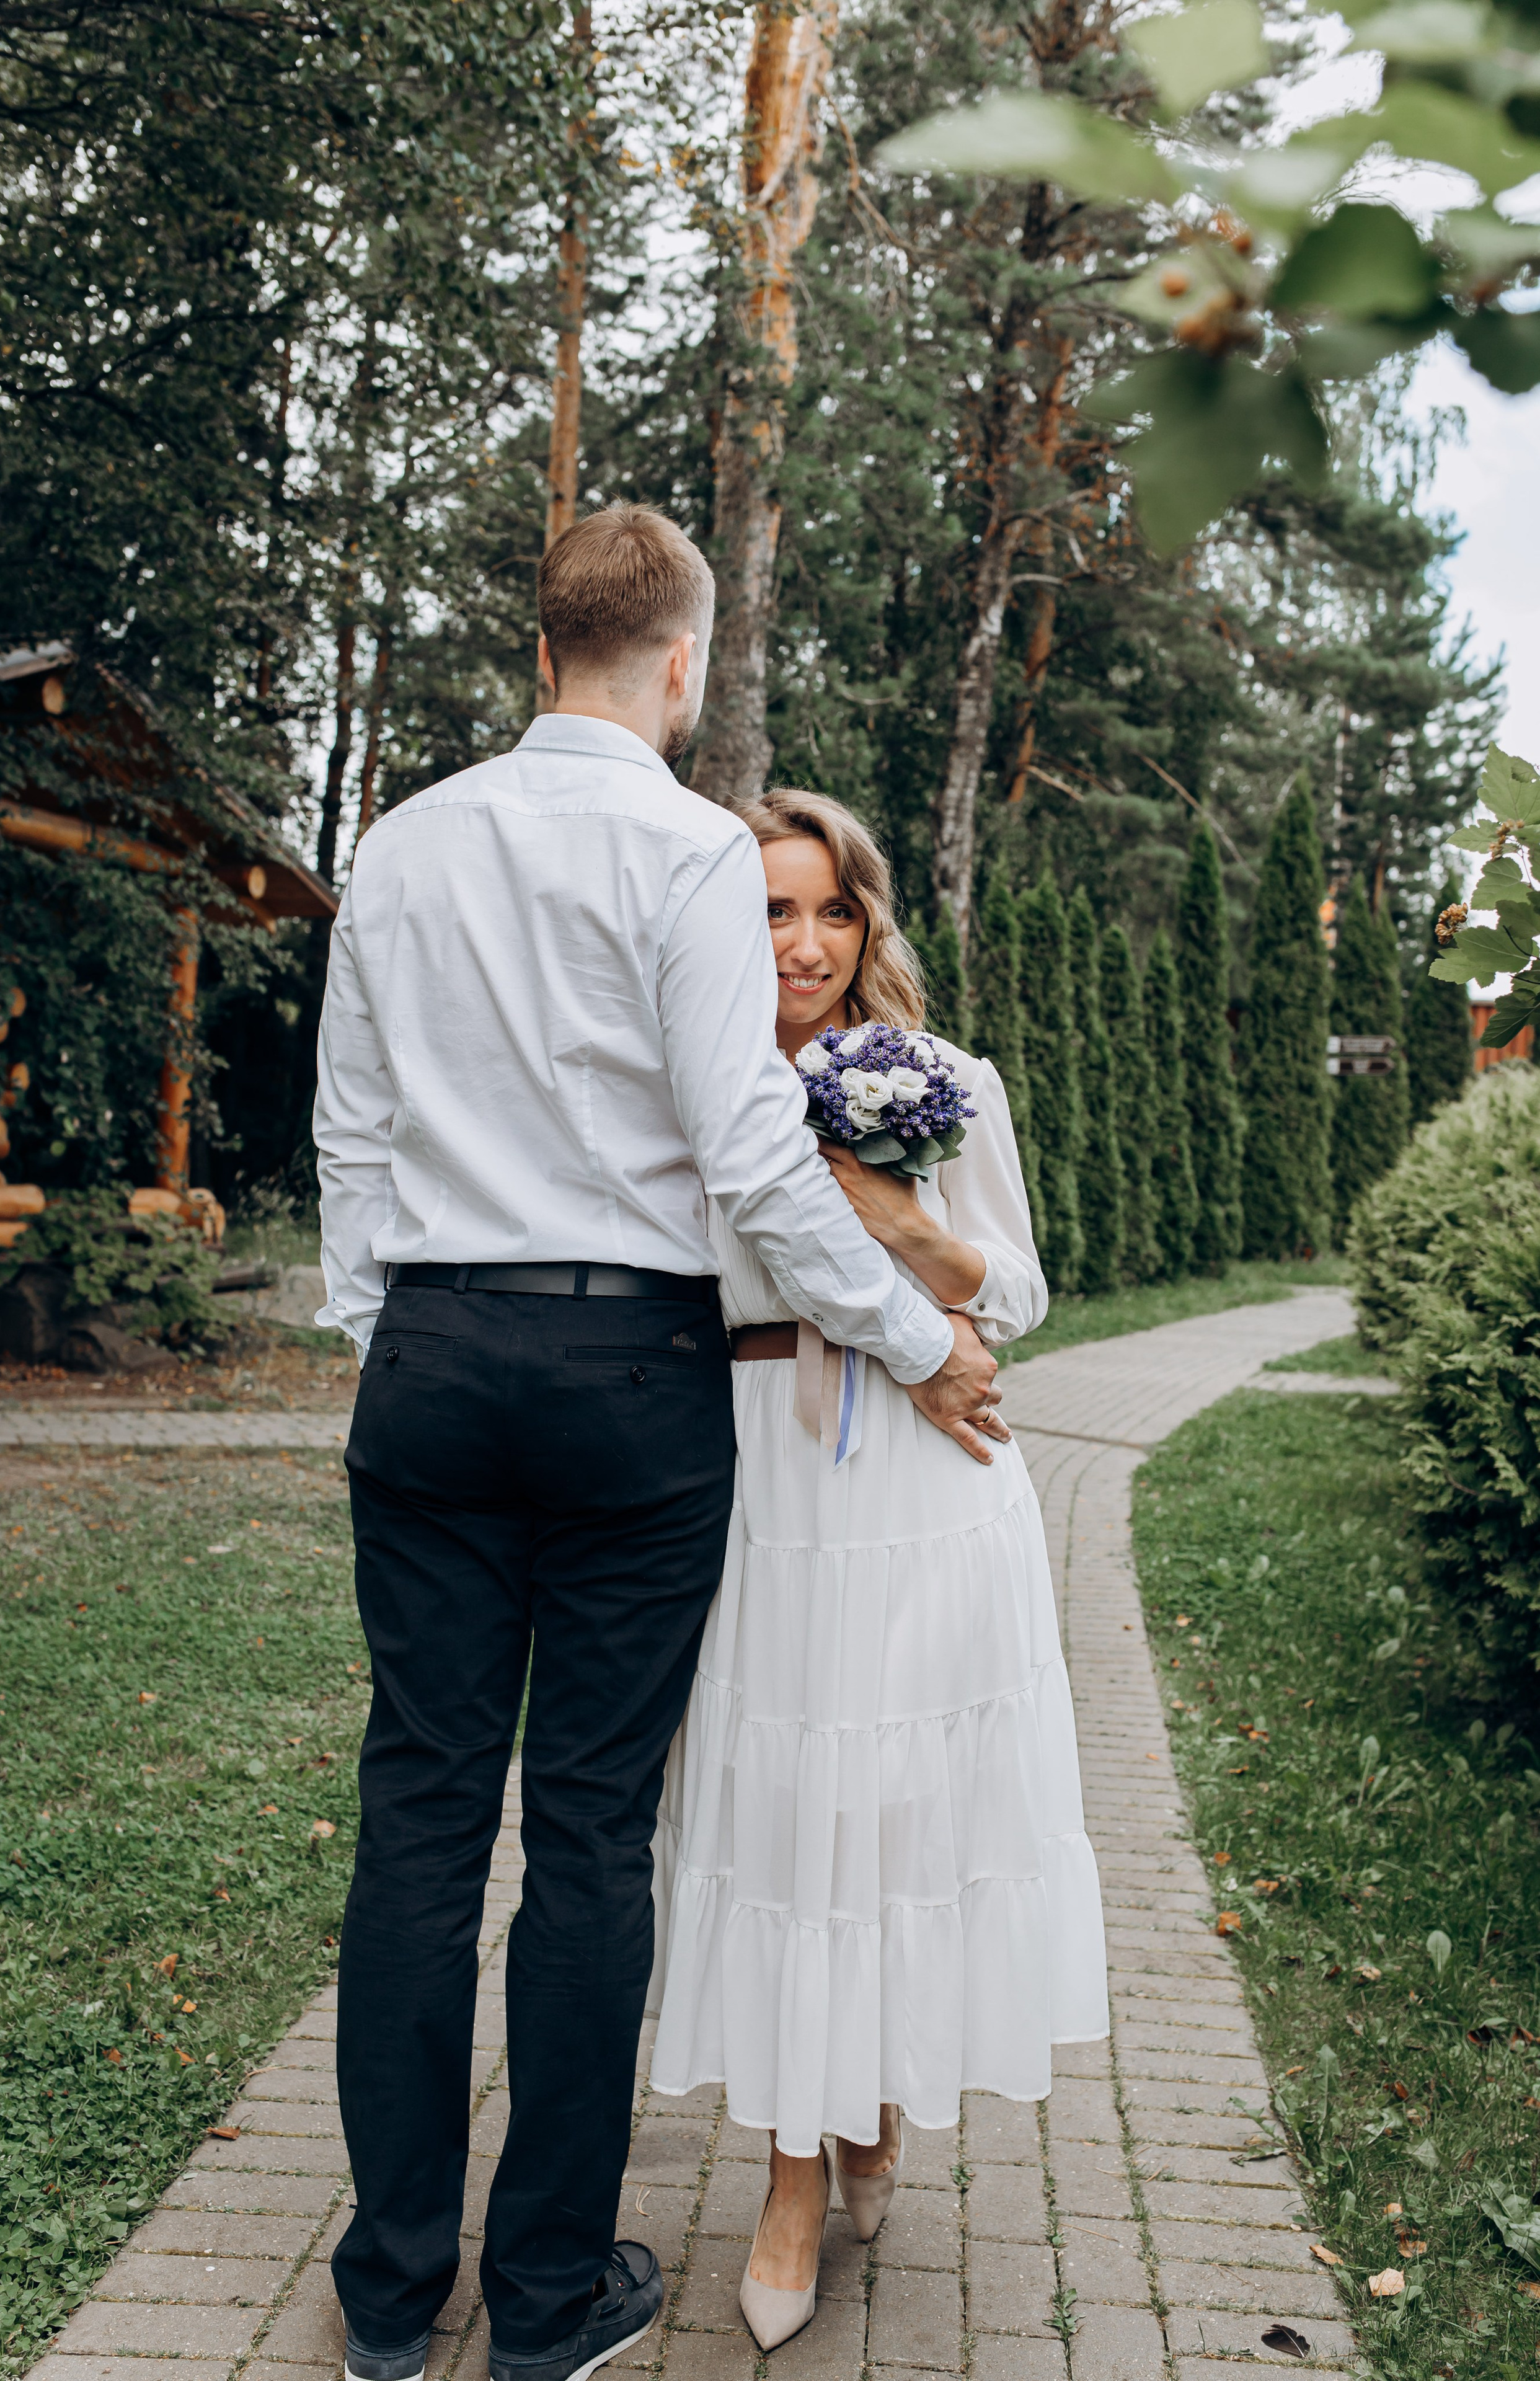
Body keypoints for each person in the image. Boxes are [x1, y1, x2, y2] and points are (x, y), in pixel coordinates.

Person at [312, 505, 1005, 2381]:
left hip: (434, 1356)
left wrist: (395, 1337)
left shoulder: (402, 842)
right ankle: (546, 2303)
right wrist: (913, 1341)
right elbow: (754, 1158)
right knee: (590, 1830)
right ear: (683, 665)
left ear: (542, 650)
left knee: (419, 1813)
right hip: (630, 1374)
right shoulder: (692, 849)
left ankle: (388, 2303)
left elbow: (351, 1138)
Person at [648, 789, 1109, 2352]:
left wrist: (899, 1219)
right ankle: (792, 2171)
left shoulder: (946, 1080)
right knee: (792, 1813)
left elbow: (1019, 1293)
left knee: (898, 1806)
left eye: (831, 910)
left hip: (927, 1479)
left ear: (868, 924)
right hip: (762, 1470)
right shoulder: (693, 1081)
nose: (803, 944)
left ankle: (874, 2094)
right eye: (771, 910)